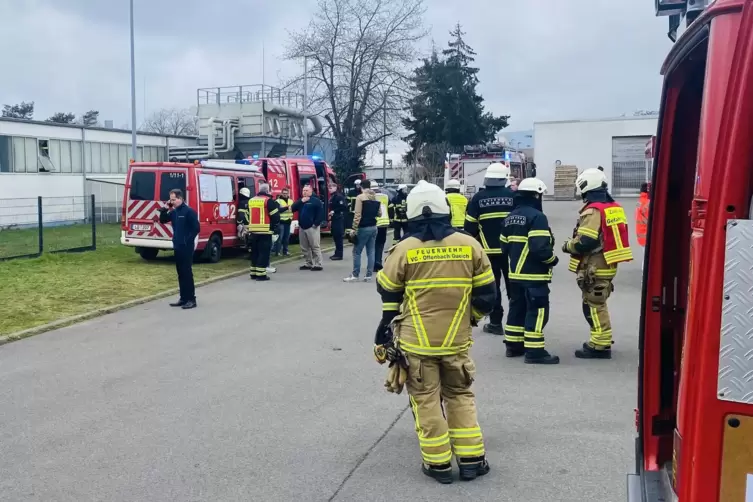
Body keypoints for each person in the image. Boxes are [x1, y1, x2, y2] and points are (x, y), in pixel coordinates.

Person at [375, 180, 496, 484]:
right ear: (444, 210)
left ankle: (438, 465)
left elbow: (386, 290)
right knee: (460, 396)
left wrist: (385, 329)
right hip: (457, 341)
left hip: (416, 343)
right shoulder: (470, 245)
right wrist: (470, 319)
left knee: (426, 400)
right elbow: (488, 297)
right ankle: (472, 461)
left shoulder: (403, 249)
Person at [561, 168, 633, 359]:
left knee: (593, 304)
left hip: (595, 265)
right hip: (608, 263)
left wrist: (567, 246)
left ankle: (599, 345)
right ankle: (601, 339)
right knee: (598, 301)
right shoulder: (614, 207)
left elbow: (587, 241)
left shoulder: (593, 211)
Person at [500, 178, 560, 364]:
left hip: (515, 275)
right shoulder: (537, 217)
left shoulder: (510, 216)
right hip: (534, 275)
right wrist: (552, 260)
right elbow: (540, 247)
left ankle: (513, 346)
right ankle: (535, 352)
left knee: (516, 308)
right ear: (537, 195)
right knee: (538, 310)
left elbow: (503, 246)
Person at [464, 162, 515, 336]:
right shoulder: (513, 196)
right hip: (511, 251)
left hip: (487, 252)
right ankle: (516, 322)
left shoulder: (478, 198)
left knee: (493, 287)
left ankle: (495, 323)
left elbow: (469, 228)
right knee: (513, 287)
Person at [159, 189, 200, 309]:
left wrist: (188, 240)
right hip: (177, 246)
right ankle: (183, 298)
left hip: (186, 247)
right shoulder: (174, 212)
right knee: (180, 273)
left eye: (174, 199)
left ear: (181, 199)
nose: (172, 202)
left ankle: (191, 299)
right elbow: (163, 220)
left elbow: (196, 228)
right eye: (171, 200)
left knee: (187, 272)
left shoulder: (189, 212)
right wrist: (164, 209)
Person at [344, 179, 381, 282]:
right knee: (371, 251)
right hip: (374, 227)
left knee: (357, 251)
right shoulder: (375, 198)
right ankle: (368, 275)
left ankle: (355, 274)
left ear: (361, 187)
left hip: (363, 227)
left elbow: (357, 214)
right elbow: (379, 214)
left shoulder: (360, 197)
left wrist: (354, 228)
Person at [248, 183, 280, 281]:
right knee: (263, 253)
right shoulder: (268, 201)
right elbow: (275, 216)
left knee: (255, 253)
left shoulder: (252, 200)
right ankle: (261, 275)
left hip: (253, 231)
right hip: (265, 231)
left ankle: (253, 273)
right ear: (267, 191)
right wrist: (275, 227)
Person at [291, 184, 324, 271]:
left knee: (315, 246)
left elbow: (320, 213)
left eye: (306, 190)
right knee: (304, 247)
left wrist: (316, 223)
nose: (304, 192)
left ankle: (318, 264)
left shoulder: (316, 201)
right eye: (303, 191)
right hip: (302, 227)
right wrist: (301, 201)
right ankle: (308, 263)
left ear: (311, 191)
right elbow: (292, 208)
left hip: (312, 227)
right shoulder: (301, 201)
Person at [372, 180, 391, 272]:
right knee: (380, 244)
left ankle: (373, 264)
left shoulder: (371, 197)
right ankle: (378, 262)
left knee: (372, 245)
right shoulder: (385, 196)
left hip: (375, 223)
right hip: (384, 223)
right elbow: (390, 208)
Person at [328, 183, 348, 260]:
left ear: (335, 188)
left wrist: (334, 211)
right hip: (334, 219)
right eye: (329, 188)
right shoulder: (332, 197)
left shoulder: (339, 197)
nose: (329, 189)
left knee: (338, 237)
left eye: (331, 188)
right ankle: (337, 253)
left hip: (338, 218)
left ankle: (339, 254)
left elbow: (344, 206)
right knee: (335, 236)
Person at [272, 186, 293, 257]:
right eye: (283, 193)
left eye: (286, 193)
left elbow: (293, 209)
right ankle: (277, 252)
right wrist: (287, 207)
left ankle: (285, 251)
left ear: (288, 193)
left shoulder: (291, 201)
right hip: (281, 222)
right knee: (280, 238)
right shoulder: (278, 201)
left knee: (286, 238)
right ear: (281, 193)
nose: (285, 194)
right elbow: (278, 210)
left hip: (288, 221)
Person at [635, 182, 650, 271]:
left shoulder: (640, 201)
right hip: (646, 234)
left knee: (645, 257)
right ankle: (644, 279)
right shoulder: (648, 203)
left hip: (641, 234)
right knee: (647, 260)